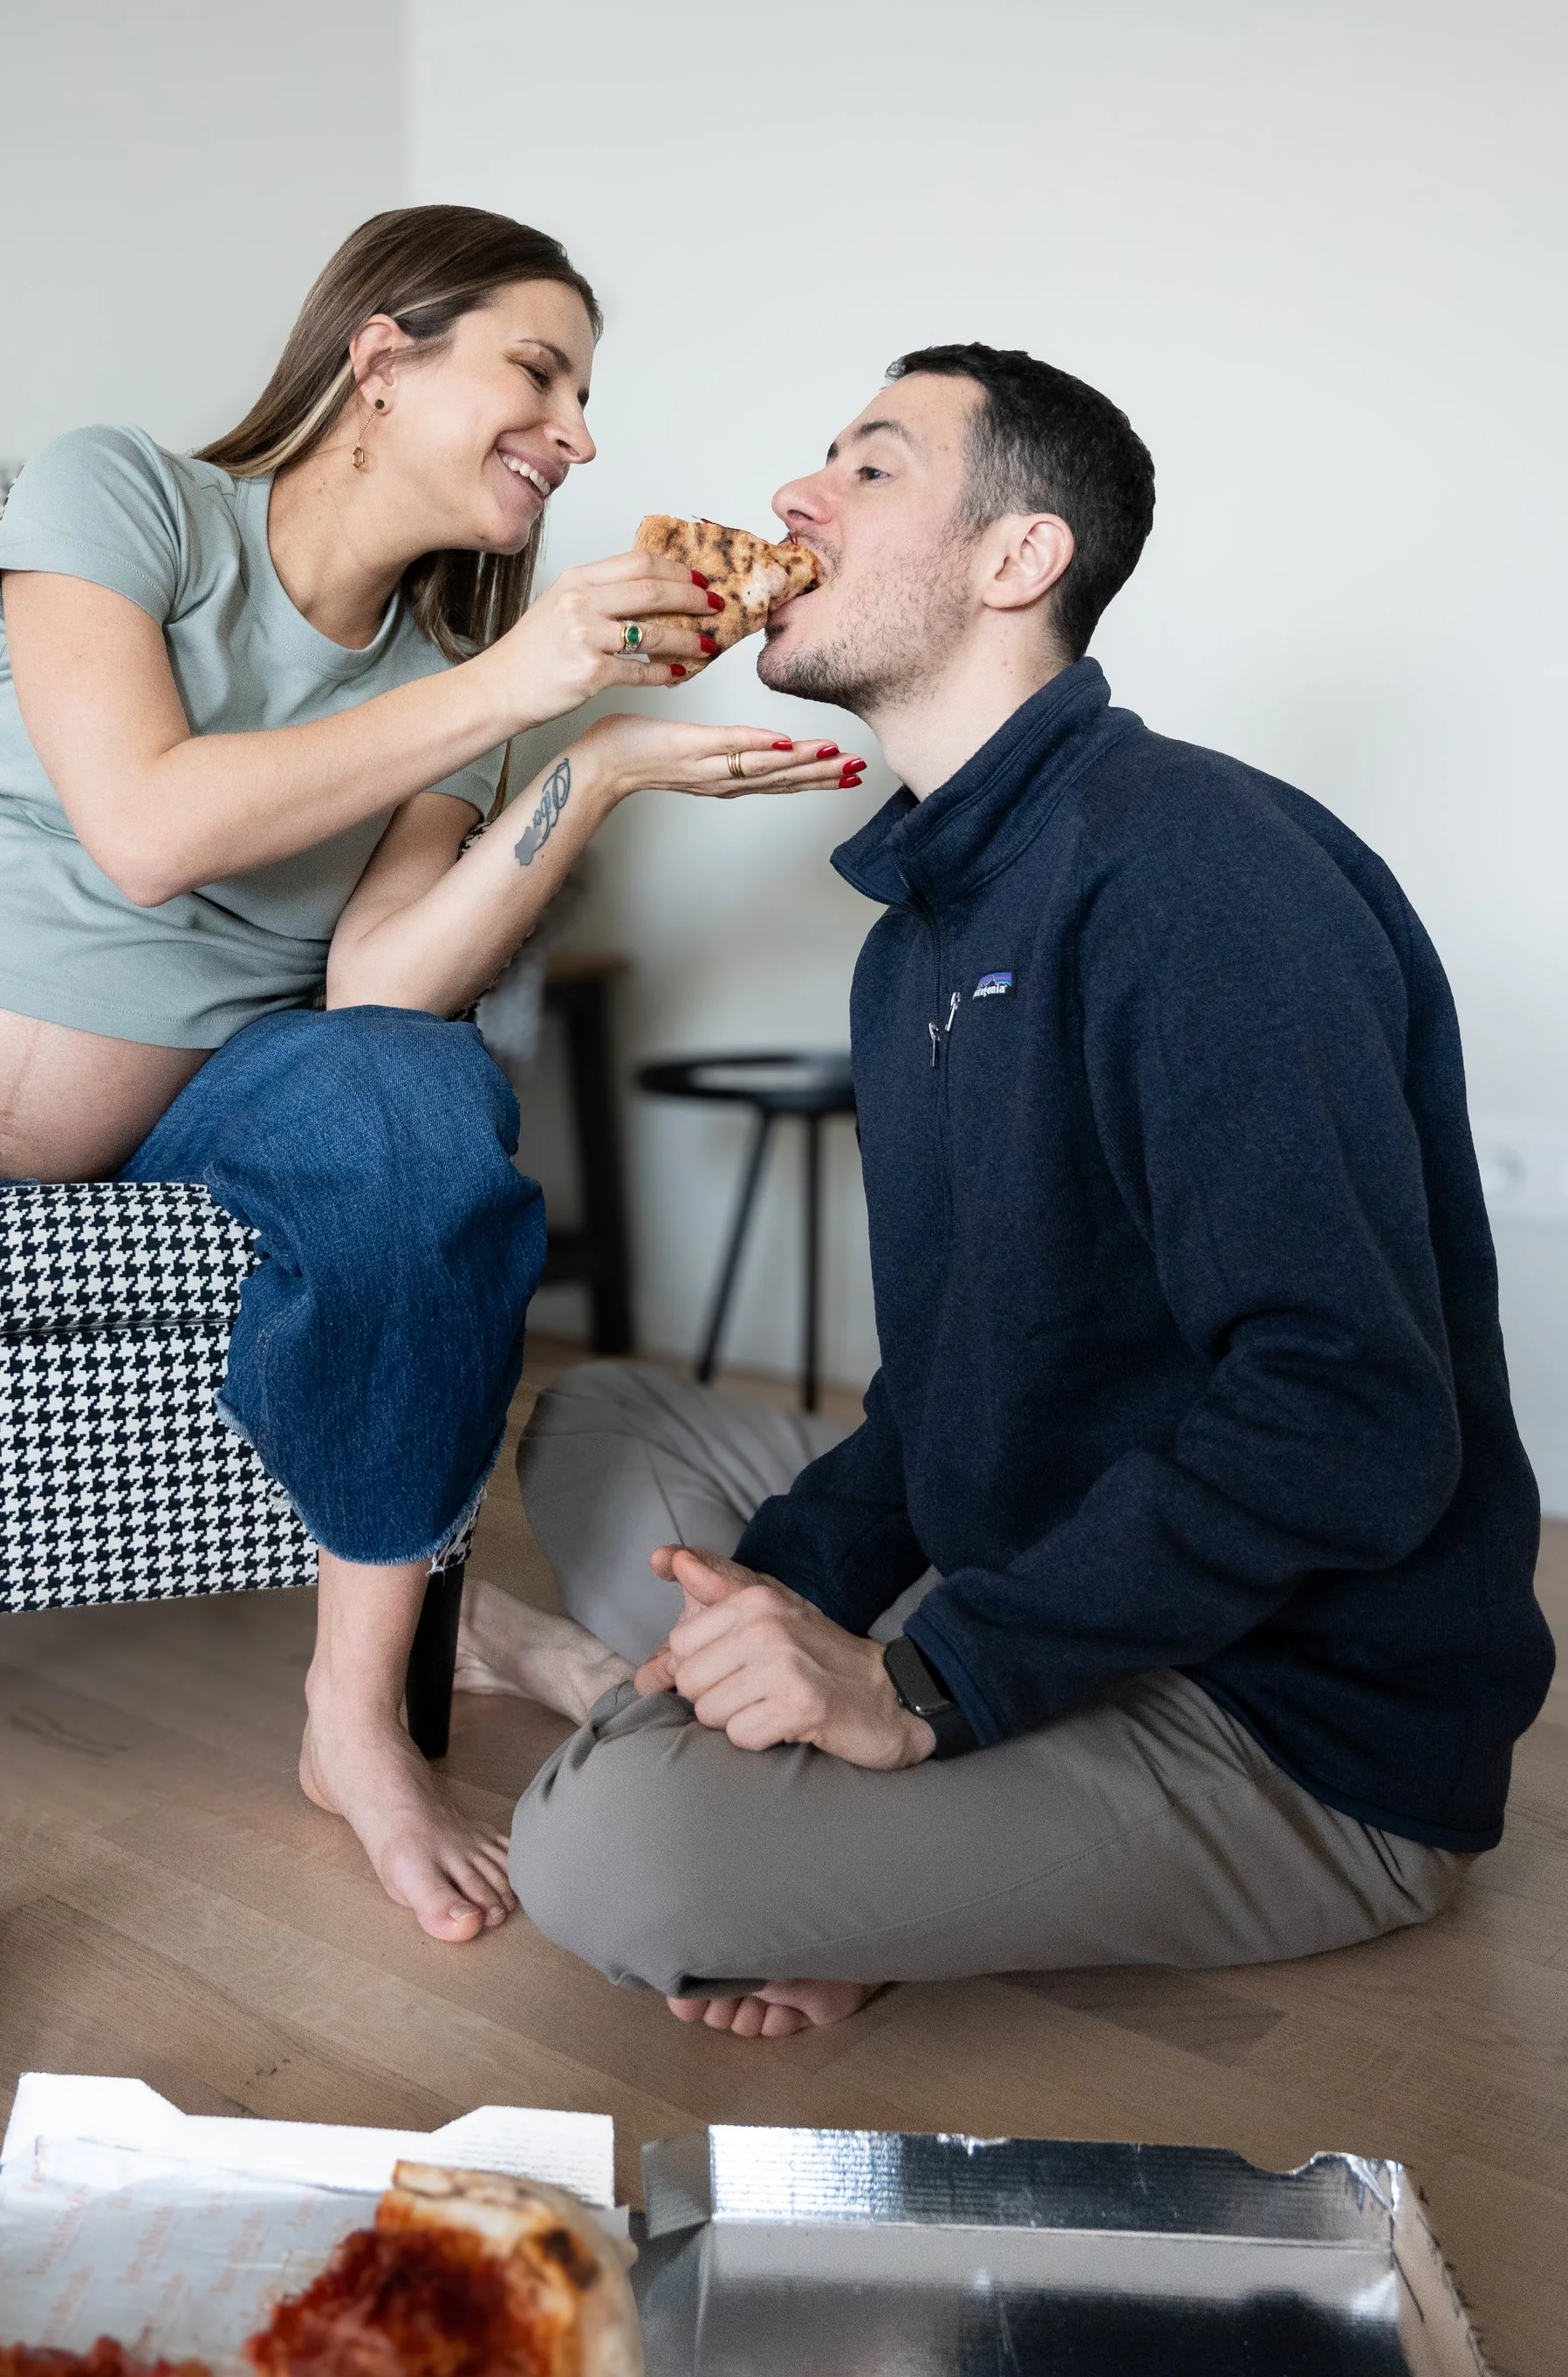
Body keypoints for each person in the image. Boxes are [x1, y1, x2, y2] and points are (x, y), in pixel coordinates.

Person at [0, 205, 863, 1944]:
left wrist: (578, 773)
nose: (578, 435)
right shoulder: (122, 495)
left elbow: (377, 985)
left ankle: (354, 1719)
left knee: (419, 1108)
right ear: (380, 357)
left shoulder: (462, 685)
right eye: (537, 371)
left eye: (584, 396)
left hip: (181, 1136)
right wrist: (522, 678)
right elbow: (139, 826)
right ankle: (453, 1606)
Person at [463, 342, 1552, 2036]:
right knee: (600, 1424)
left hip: (1281, 1727)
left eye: (871, 465)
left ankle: (706, 1746)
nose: (791, 499)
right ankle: (790, 1754)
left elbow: (1346, 1413)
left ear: (1014, 559)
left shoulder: (1198, 870)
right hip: (1060, 1574)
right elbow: (952, 1382)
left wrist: (920, 1676)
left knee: (606, 1861)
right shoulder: (914, 943)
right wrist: (796, 1593)